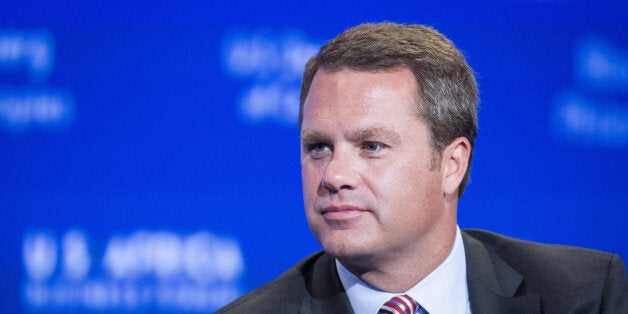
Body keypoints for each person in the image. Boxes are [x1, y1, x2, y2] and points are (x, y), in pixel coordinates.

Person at [217, 22, 627, 313]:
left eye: (371, 146)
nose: (334, 175)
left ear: (452, 164)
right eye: (319, 147)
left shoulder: (588, 294)